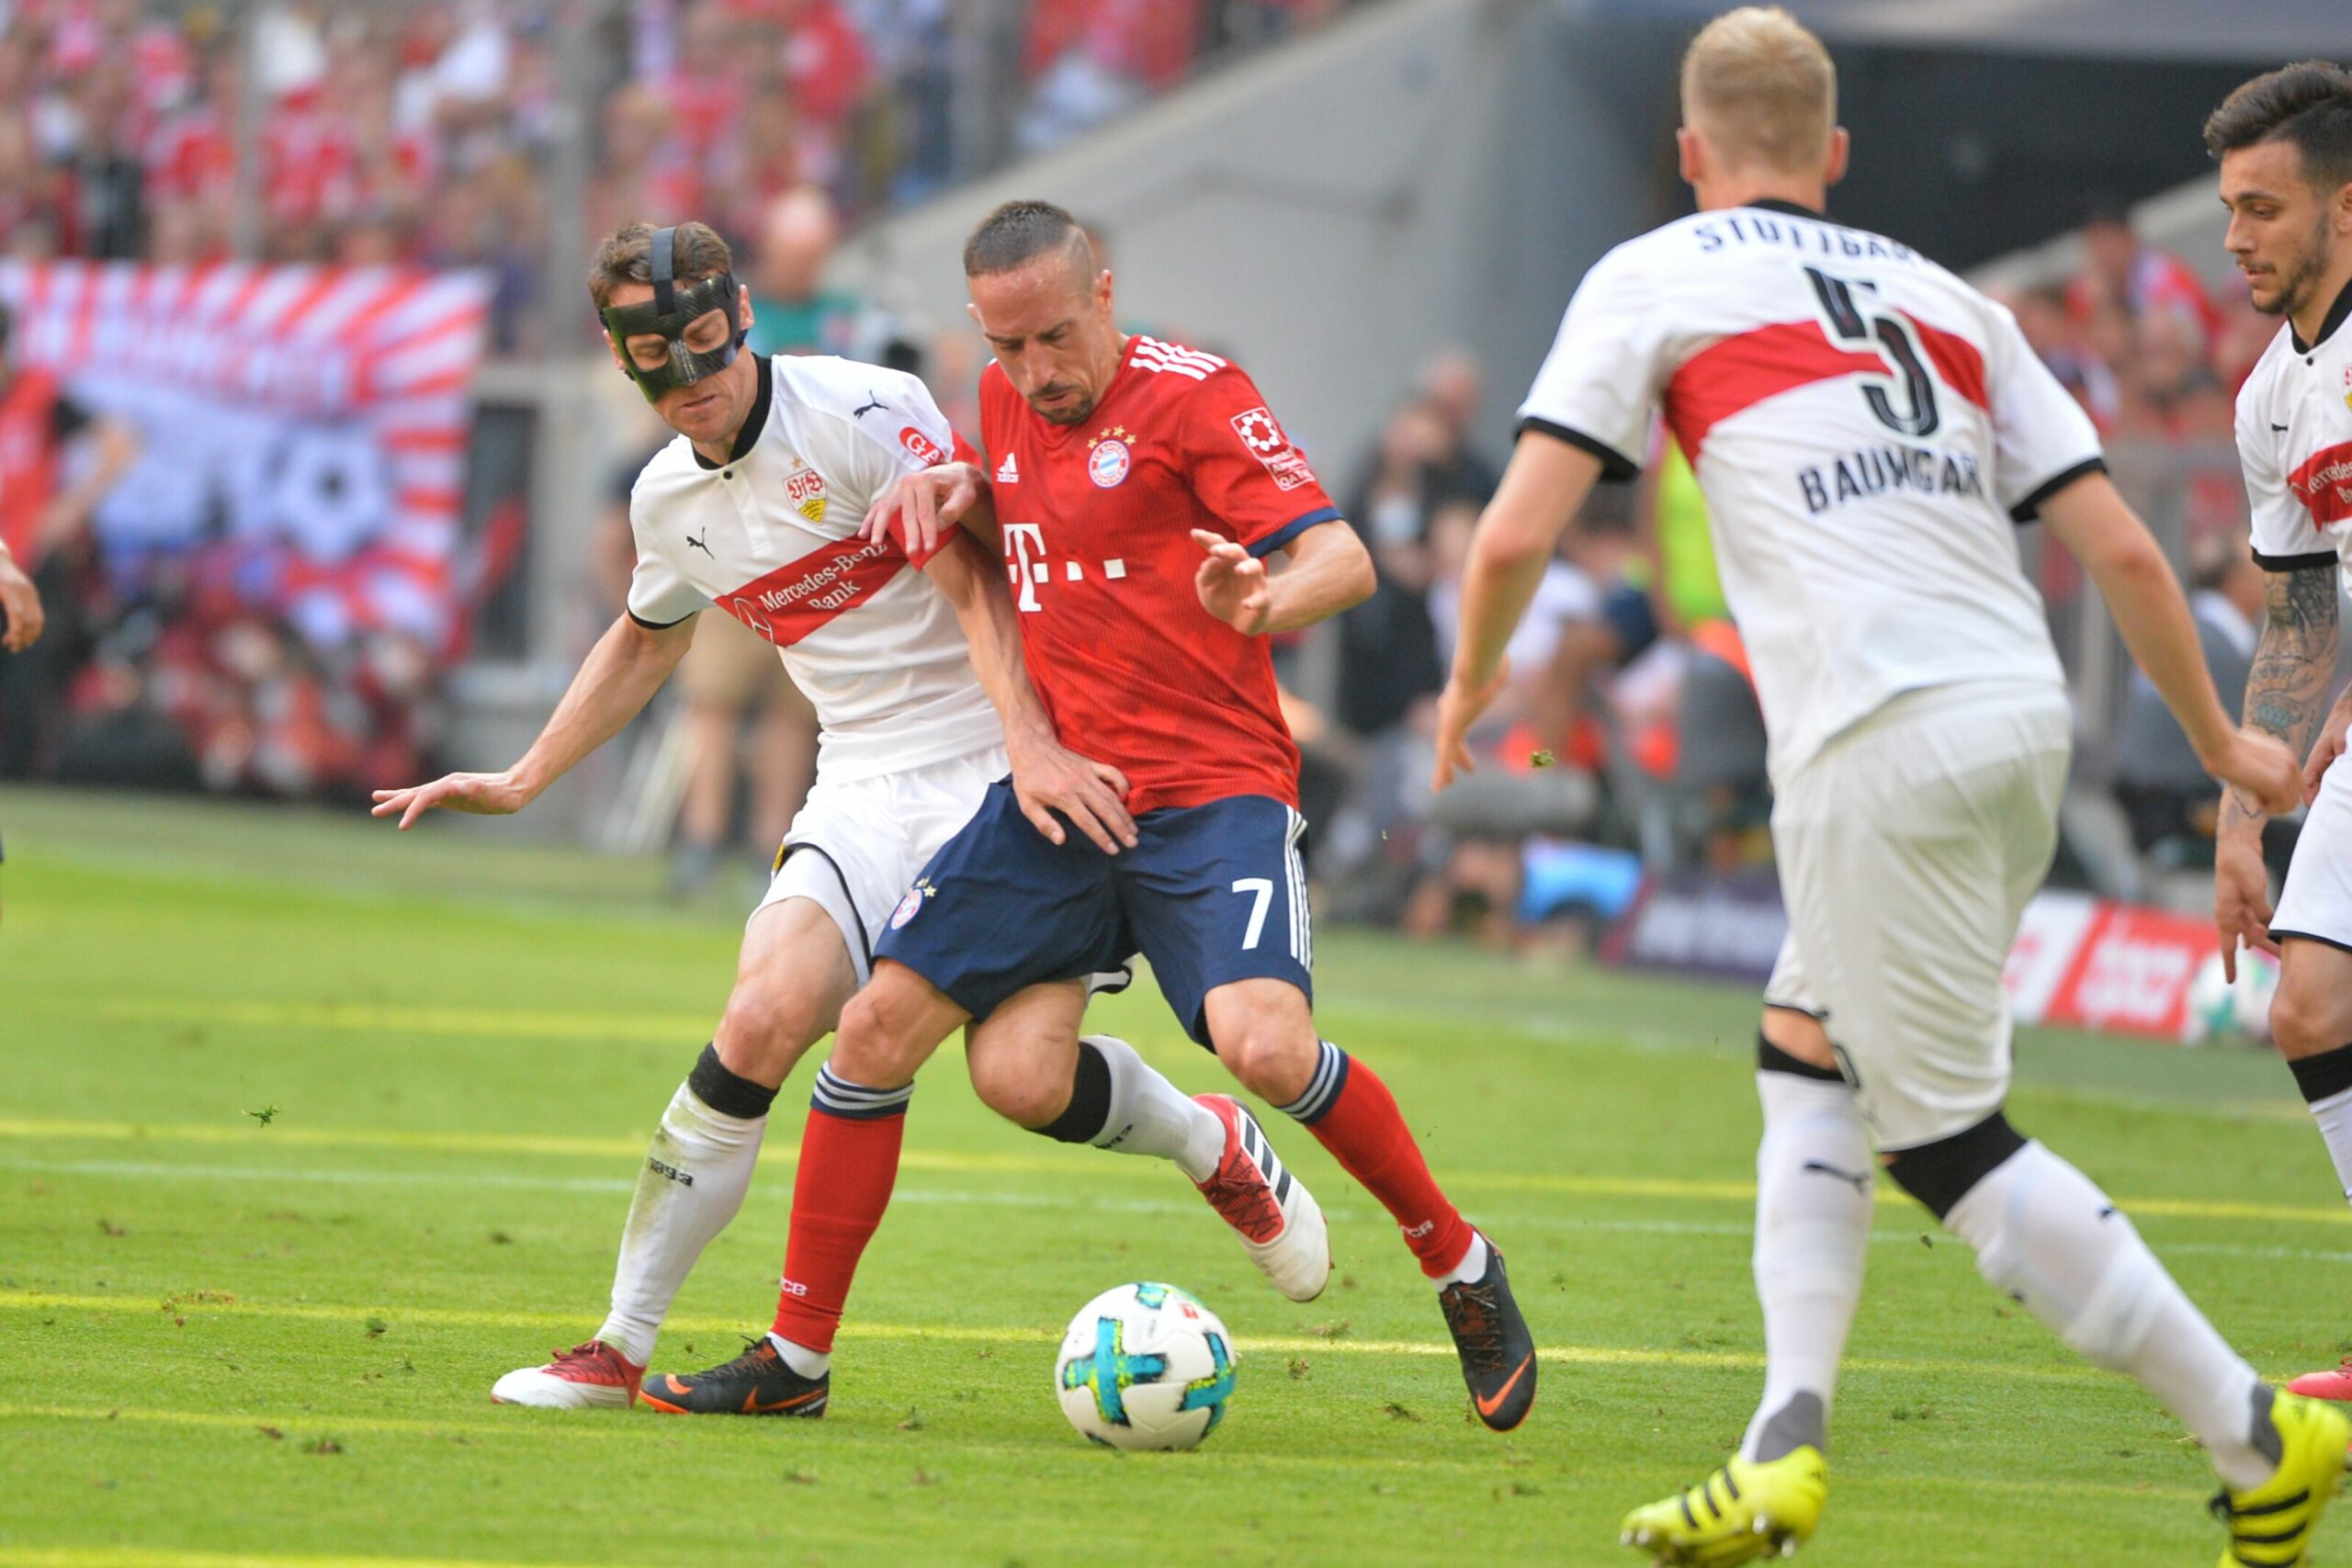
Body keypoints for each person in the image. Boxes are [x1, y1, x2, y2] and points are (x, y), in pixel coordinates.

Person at [1433, 11, 2333, 1563]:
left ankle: (2258, 1437)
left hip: (1877, 739)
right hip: (2015, 723)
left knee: (1947, 1146)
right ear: (1837, 154)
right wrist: (2215, 745)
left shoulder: (1657, 275)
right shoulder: (1949, 298)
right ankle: (1782, 1445)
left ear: (1691, 154)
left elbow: (1514, 532)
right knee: (1804, 1045)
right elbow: (2123, 548)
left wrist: (1468, 689)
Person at [371, 220, 1325, 1411]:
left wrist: (1032, 746)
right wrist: (525, 775)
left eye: (707, 344)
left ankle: (1206, 1140)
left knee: (1022, 1079)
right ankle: (620, 1349)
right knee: (763, 1012)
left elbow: (981, 571)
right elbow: (646, 636)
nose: (694, 380)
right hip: (865, 782)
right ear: (628, 366)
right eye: (659, 362)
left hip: (1002, 766)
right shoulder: (667, 501)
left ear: (741, 322)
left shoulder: (864, 411)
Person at [682, 198, 1537, 1434]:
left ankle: (1459, 1265)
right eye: (1006, 345)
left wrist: (1267, 600)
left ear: (1104, 296)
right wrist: (964, 489)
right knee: (931, 1052)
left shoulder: (1196, 397)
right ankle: (798, 1361)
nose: (1034, 371)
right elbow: (1029, 526)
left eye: (1054, 338)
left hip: (1213, 792)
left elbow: (1341, 559)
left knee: (1266, 1047)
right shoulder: (1001, 402)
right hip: (1066, 791)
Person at [2203, 62, 2352, 1405]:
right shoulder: (2270, 400)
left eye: (2264, 208)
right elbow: (2301, 618)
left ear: (2343, 206)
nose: (2238, 238)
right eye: (2229, 210)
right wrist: (2242, 818)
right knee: (2309, 1008)